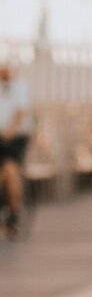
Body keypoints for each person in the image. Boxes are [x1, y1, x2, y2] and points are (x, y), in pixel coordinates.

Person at [0, 60, 34, 236]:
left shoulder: (19, 87)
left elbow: (20, 112)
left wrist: (10, 131)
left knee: (10, 169)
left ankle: (14, 213)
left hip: (16, 138)